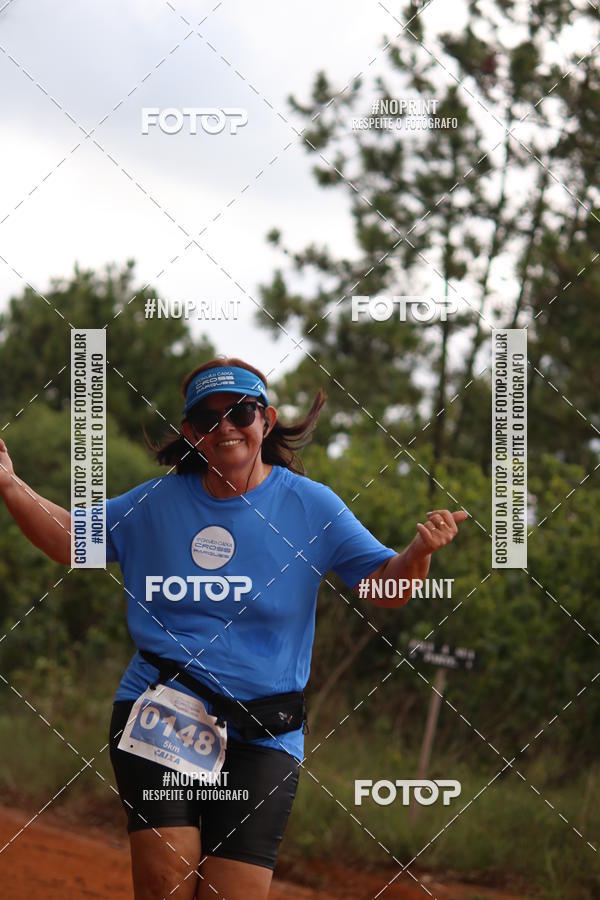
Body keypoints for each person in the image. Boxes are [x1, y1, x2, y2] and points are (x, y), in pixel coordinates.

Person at [0, 356, 467, 900]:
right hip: (165, 713)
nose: (226, 427)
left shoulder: (310, 507)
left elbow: (386, 589)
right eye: (207, 418)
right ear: (191, 434)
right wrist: (11, 487)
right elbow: (71, 539)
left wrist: (418, 552)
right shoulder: (156, 504)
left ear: (266, 421)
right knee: (167, 884)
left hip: (266, 732)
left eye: (240, 412)